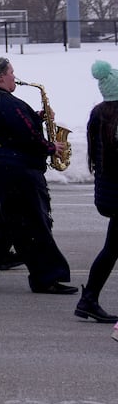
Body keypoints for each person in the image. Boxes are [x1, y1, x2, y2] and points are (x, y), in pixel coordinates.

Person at [0, 56, 77, 296]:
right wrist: (51, 147)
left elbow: (8, 128)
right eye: (11, 72)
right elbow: (27, 137)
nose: (14, 77)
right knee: (32, 223)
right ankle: (47, 276)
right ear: (0, 76)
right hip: (15, 172)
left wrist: (36, 118)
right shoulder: (9, 103)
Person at [79, 61, 118, 326]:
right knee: (111, 249)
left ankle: (89, 300)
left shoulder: (100, 115)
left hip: (109, 194)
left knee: (112, 248)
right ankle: (89, 299)